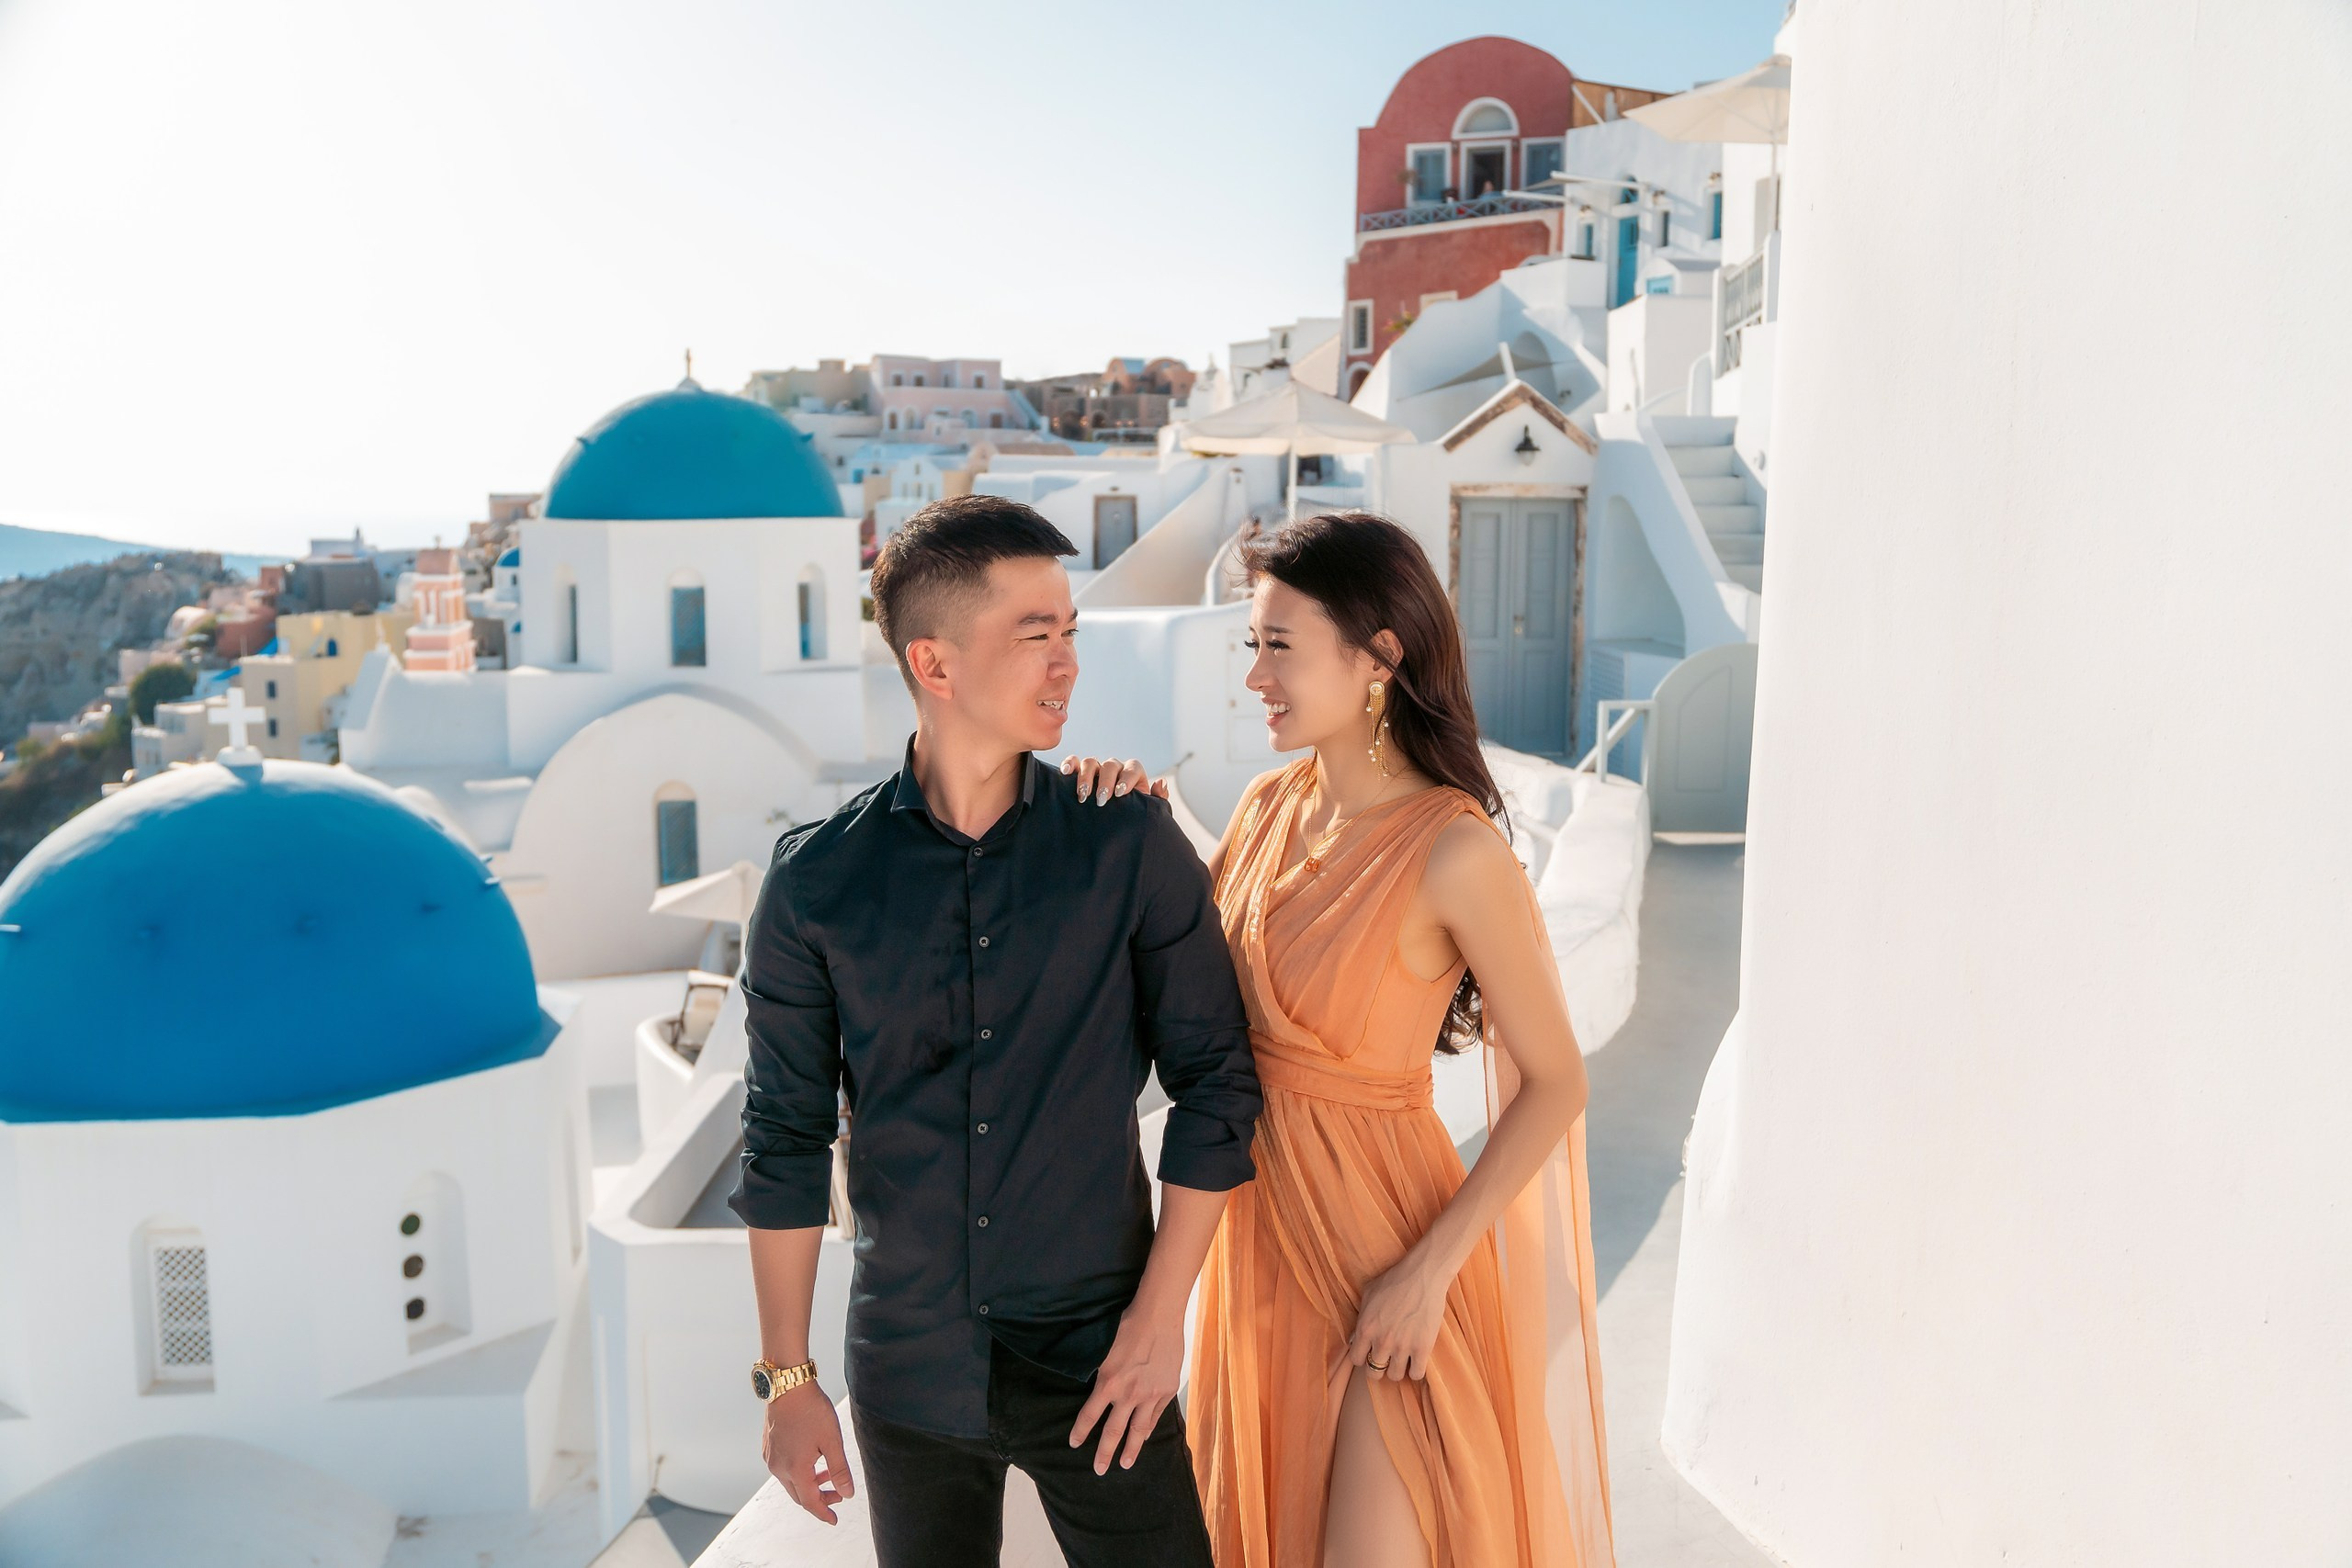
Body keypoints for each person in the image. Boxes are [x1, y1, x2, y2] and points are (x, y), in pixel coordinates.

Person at [1069, 512, 1613, 1568]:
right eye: (1252, 645)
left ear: (1378, 658)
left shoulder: (1454, 849)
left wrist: (1427, 1274)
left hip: (1387, 1257)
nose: (1254, 677)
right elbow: (1210, 978)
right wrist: (1138, 821)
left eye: (1279, 646)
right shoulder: (1266, 806)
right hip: (1261, 1247)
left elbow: (1556, 1082)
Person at [729, 493, 1263, 1567]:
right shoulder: (815, 882)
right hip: (907, 1374)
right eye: (1034, 636)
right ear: (934, 664)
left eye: (1070, 632)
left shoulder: (1125, 844)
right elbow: (784, 1137)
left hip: (1105, 1364)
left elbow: (1216, 1084)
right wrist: (789, 1379)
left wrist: (1159, 1325)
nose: (1067, 664)